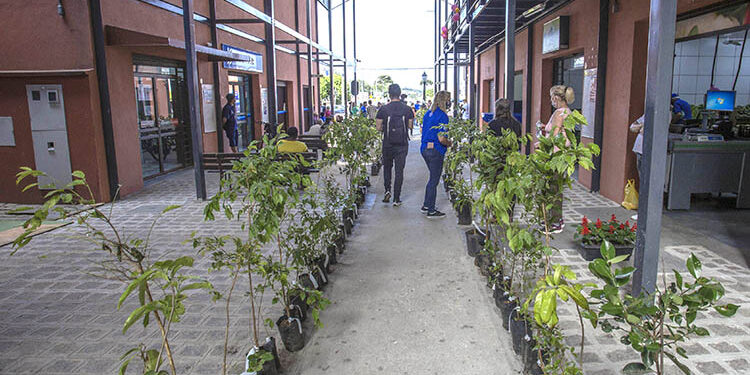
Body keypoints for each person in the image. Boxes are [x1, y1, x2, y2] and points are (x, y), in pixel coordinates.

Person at [537, 85, 575, 234]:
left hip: (555, 155)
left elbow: (555, 134)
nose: (551, 101)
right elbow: (559, 130)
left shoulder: (559, 113)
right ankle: (553, 219)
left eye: (552, 98)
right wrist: (545, 127)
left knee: (553, 188)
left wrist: (541, 143)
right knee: (556, 187)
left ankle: (555, 221)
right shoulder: (567, 112)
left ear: (557, 98)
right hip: (562, 154)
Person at [376, 84, 414, 206]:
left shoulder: (383, 109)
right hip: (402, 144)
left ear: (389, 94)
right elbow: (410, 126)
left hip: (387, 143)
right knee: (399, 171)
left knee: (387, 168)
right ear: (400, 93)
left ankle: (387, 190)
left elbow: (378, 127)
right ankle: (397, 198)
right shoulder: (407, 109)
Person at [420, 91, 452, 218]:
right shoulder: (443, 116)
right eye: (449, 100)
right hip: (436, 150)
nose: (450, 102)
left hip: (424, 149)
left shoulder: (428, 113)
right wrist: (450, 143)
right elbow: (441, 139)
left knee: (432, 177)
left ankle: (427, 205)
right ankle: (431, 210)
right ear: (445, 101)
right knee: (434, 180)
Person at [629, 114, 644, 221]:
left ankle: (644, 212)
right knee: (641, 180)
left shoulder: (665, 112)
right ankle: (642, 211)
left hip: (647, 152)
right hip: (639, 150)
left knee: (646, 182)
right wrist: (641, 126)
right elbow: (632, 127)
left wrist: (641, 127)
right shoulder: (647, 113)